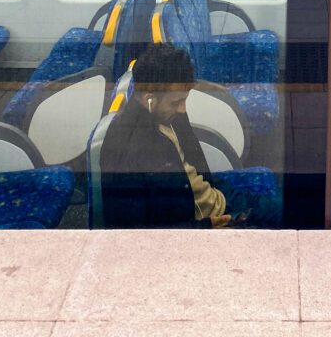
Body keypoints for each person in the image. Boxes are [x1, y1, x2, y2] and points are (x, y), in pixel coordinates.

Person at [100, 43, 280, 228]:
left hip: (206, 193)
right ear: (149, 99)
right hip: (198, 221)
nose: (183, 109)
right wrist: (206, 226)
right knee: (279, 213)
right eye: (176, 103)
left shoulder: (164, 112)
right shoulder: (132, 151)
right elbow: (140, 233)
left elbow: (194, 162)